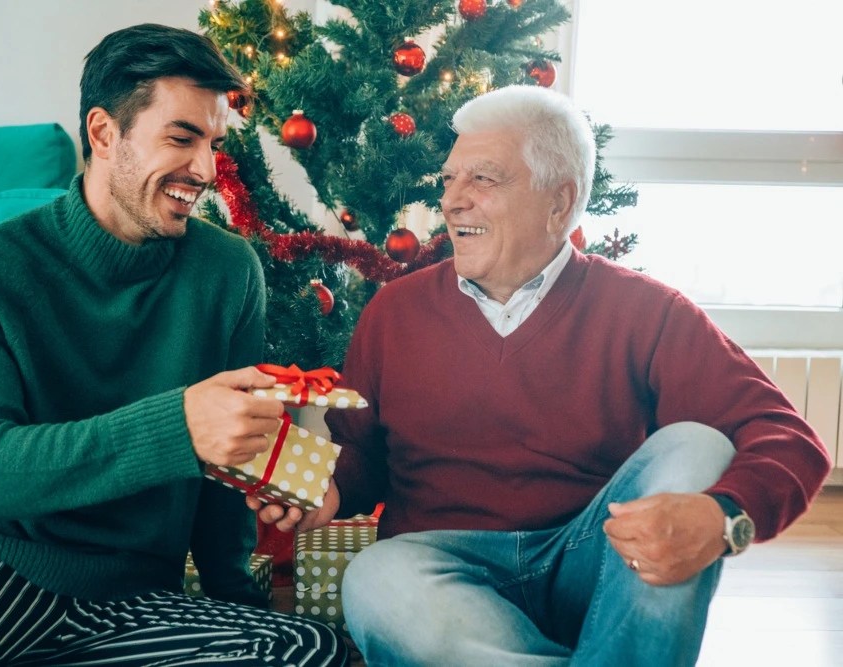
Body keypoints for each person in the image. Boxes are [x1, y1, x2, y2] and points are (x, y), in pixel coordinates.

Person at [253, 85, 831, 666]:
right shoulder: (394, 313)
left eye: (483, 179)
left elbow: (789, 439)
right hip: (440, 565)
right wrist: (330, 489)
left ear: (560, 202)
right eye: (449, 180)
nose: (453, 201)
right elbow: (363, 457)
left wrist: (722, 517)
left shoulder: (648, 313)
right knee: (377, 578)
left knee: (696, 445)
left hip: (597, 562)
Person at [0, 23, 347, 666]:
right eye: (182, 138)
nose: (205, 170)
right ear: (105, 134)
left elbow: (225, 477)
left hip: (131, 593)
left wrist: (232, 599)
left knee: (303, 649)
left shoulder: (227, 270)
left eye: (214, 144)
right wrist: (179, 428)